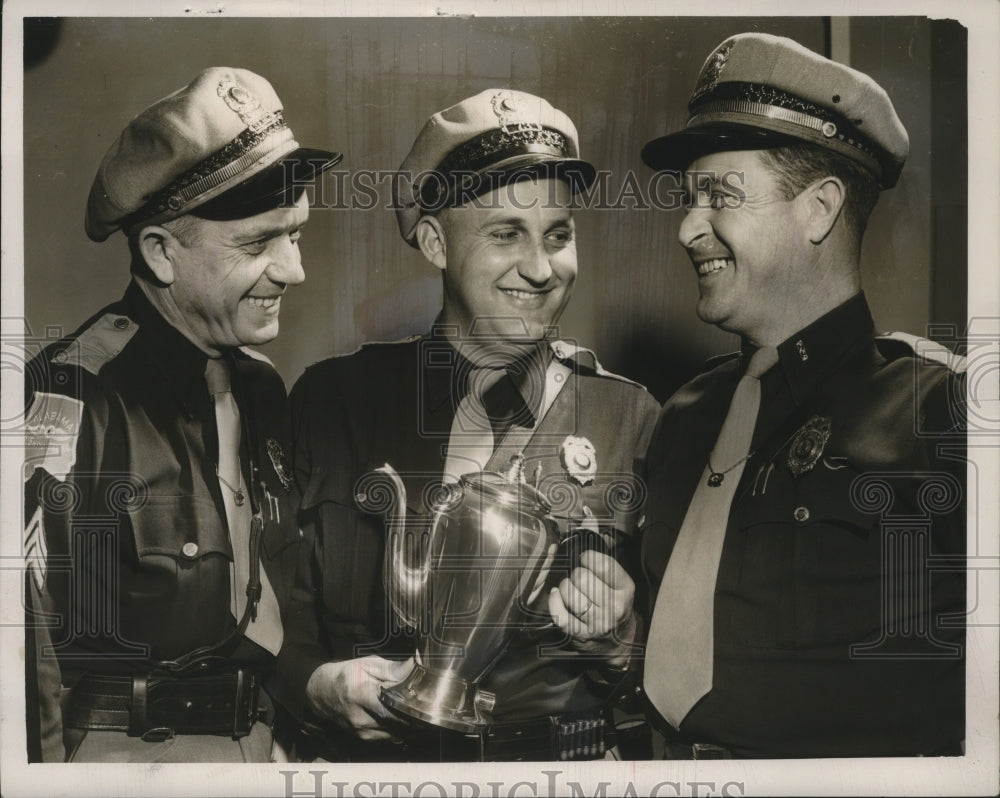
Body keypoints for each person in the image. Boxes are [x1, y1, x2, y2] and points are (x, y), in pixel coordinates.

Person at [277, 89, 661, 761]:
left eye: (558, 235)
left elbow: (672, 668)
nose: (542, 270)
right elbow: (280, 624)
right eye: (505, 234)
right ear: (434, 242)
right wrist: (315, 687)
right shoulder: (335, 401)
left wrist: (622, 637)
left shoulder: (629, 416)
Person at [637, 32, 966, 758]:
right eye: (687, 200)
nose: (688, 228)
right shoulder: (683, 418)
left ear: (818, 209)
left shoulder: (943, 420)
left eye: (717, 196)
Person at [22, 67, 340, 762]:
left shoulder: (262, 389)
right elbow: (24, 647)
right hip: (127, 756)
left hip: (258, 745)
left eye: (297, 236)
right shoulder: (70, 396)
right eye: (260, 244)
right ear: (162, 253)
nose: (294, 270)